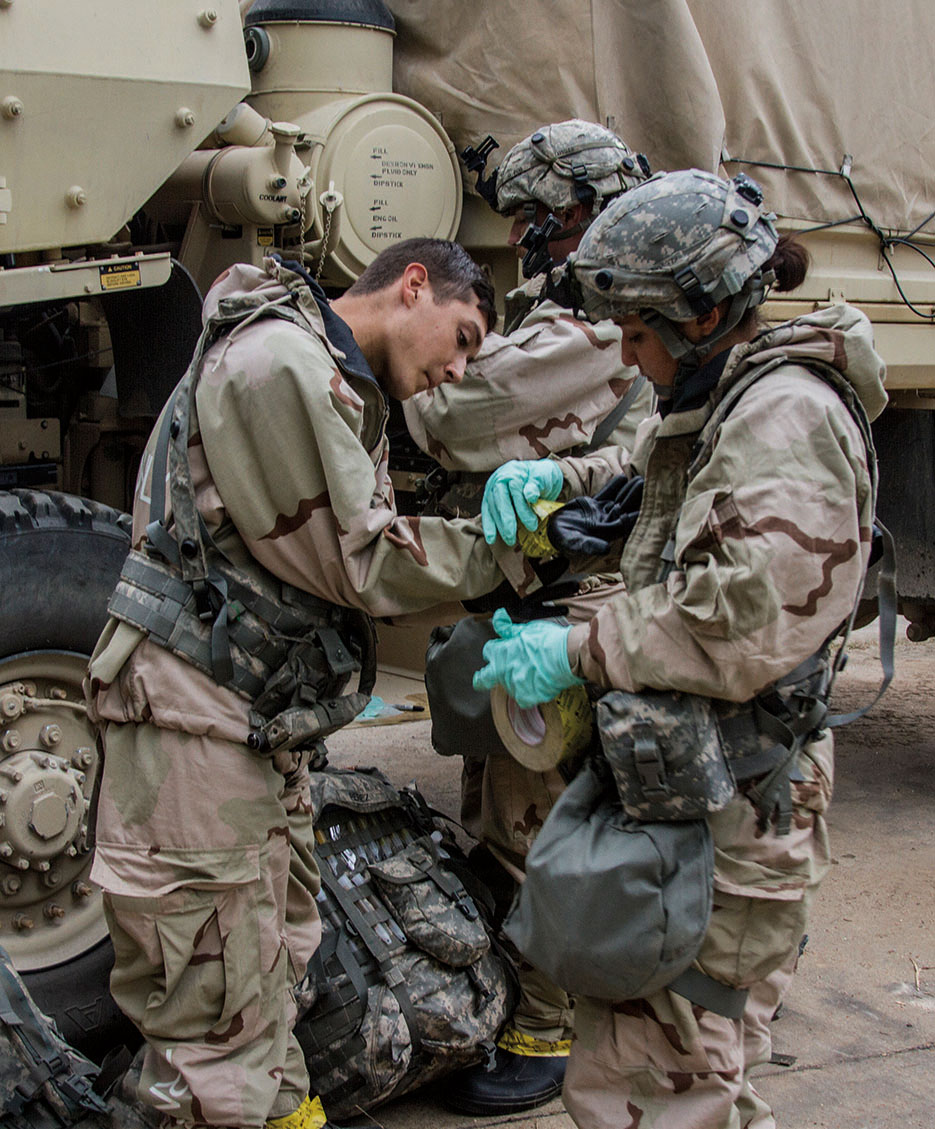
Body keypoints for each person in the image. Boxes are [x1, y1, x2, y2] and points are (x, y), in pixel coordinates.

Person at [473, 168, 887, 1128]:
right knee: (688, 1078)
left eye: (636, 332)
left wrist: (577, 647)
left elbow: (745, 613)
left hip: (740, 806)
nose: (627, 356)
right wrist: (561, 478)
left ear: (701, 313)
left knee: (657, 1084)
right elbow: (659, 474)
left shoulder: (785, 413)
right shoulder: (727, 397)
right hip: (705, 794)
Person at [85, 240, 519, 1129]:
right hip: (193, 730)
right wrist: (521, 547)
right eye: (464, 335)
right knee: (216, 1023)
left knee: (268, 974)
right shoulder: (280, 360)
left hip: (243, 722)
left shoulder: (322, 370)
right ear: (412, 286)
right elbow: (361, 560)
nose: (457, 368)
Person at [404, 121, 655, 1117]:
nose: (528, 237)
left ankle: (546, 1030)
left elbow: (459, 411)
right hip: (525, 590)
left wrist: (428, 384)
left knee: (535, 821)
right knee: (499, 806)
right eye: (520, 219)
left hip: (572, 594)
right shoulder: (560, 308)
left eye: (542, 217)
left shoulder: (595, 317)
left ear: (586, 210)